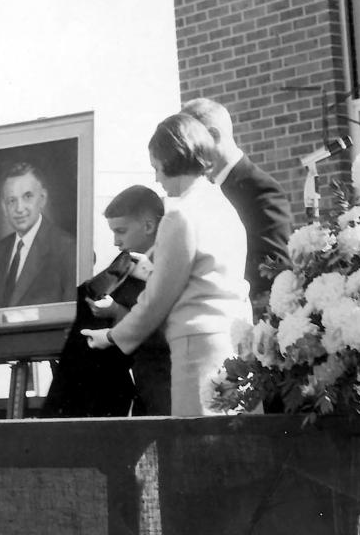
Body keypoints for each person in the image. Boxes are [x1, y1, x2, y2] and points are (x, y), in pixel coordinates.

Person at [83, 113, 252, 417]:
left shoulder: (180, 215)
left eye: (156, 167)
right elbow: (204, 275)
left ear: (170, 160)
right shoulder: (223, 206)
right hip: (236, 343)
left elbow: (158, 300)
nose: (156, 178)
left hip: (197, 349)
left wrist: (111, 336)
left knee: (196, 452)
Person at [42, 185, 171, 417]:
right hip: (142, 384)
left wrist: (115, 312)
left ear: (149, 226)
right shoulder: (124, 262)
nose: (115, 241)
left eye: (121, 231)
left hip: (165, 384)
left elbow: (163, 331)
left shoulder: (169, 261)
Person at [182, 97, 291, 310]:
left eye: (191, 146)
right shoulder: (203, 190)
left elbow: (274, 264)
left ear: (213, 136)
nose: (186, 156)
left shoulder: (260, 189)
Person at [0, 161, 77, 309]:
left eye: (27, 196)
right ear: (4, 207)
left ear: (42, 199)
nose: (19, 208)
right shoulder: (1, 249)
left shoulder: (67, 249)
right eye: (12, 200)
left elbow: (72, 317)